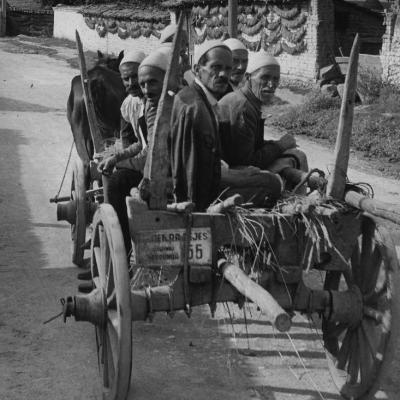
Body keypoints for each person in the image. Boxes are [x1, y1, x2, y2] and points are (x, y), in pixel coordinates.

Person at [98, 50, 168, 255]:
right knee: (114, 171)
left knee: (117, 183)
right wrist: (117, 156)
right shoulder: (132, 104)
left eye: (136, 77)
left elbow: (154, 151)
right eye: (125, 79)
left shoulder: (157, 104)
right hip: (150, 162)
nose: (131, 83)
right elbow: (141, 143)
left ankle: (123, 249)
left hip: (162, 168)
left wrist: (121, 164)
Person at [219, 52, 308, 184]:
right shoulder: (243, 107)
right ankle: (301, 200)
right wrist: (280, 145)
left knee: (294, 154)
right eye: (265, 77)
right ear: (248, 77)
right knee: (296, 157)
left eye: (275, 79)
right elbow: (247, 162)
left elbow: (252, 147)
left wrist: (278, 145)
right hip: (229, 174)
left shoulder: (248, 101)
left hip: (233, 167)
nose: (271, 84)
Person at [170, 41, 232, 211]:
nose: (223, 74)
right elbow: (187, 167)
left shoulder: (204, 99)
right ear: (197, 69)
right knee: (269, 183)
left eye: (228, 69)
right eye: (216, 67)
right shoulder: (193, 107)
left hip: (212, 180)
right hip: (202, 198)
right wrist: (200, 211)